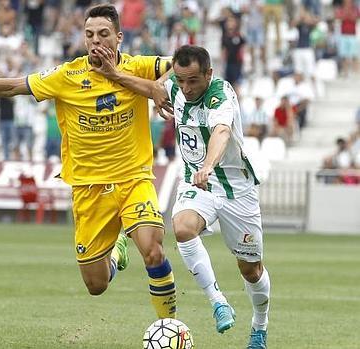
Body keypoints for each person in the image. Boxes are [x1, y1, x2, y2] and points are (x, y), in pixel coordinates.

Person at [0, 4, 178, 320]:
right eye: (89, 35)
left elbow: (182, 66)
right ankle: (115, 253)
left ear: (119, 37)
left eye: (103, 34)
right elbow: (13, 86)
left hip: (133, 179)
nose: (96, 41)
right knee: (96, 285)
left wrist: (155, 85)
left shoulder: (139, 66)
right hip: (89, 189)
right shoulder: (66, 76)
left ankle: (170, 326)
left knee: (153, 250)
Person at [89, 45, 270, 349]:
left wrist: (209, 165)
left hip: (236, 189)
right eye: (181, 80)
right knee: (182, 228)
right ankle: (218, 302)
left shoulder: (221, 94)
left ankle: (260, 327)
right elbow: (152, 87)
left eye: (193, 81)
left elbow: (222, 132)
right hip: (196, 184)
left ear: (208, 74)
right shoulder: (174, 87)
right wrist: (115, 74)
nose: (186, 88)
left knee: (250, 270)